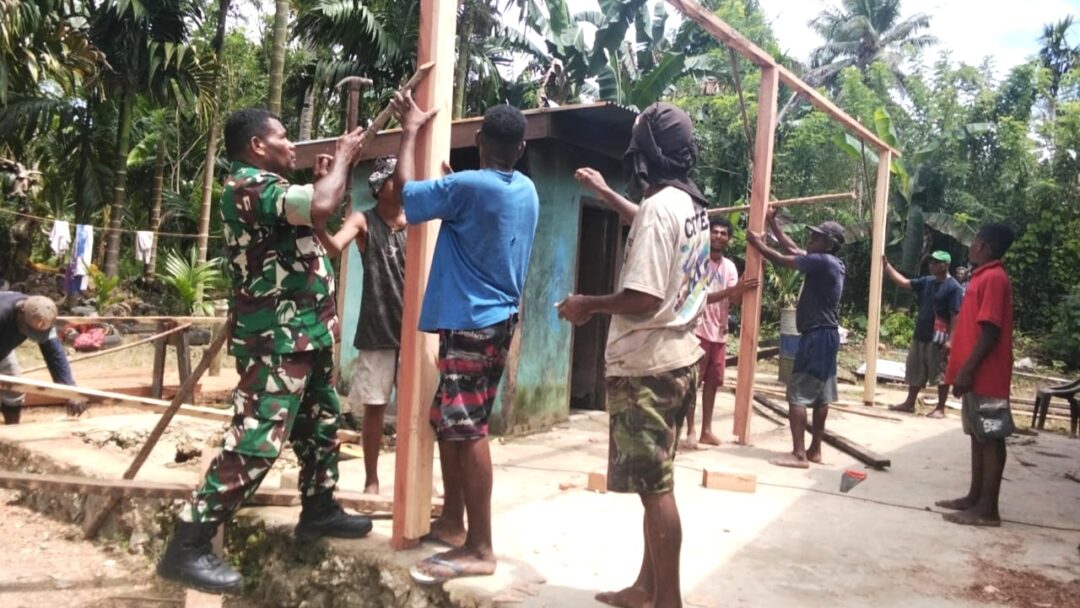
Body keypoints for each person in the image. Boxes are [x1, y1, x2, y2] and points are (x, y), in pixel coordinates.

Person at [156, 108, 372, 594]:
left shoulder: (271, 191)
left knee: (320, 427)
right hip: (277, 338)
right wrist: (342, 159)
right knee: (257, 439)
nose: (291, 144)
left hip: (306, 334)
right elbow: (320, 208)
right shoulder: (247, 185)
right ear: (257, 145)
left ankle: (319, 509)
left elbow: (316, 224)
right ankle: (187, 543)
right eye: (282, 136)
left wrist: (330, 178)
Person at [559, 102, 710, 608]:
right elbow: (652, 223)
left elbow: (643, 298)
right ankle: (648, 587)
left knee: (655, 491)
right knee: (658, 482)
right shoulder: (690, 205)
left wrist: (587, 305)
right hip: (680, 357)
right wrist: (606, 195)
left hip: (648, 366)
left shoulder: (661, 209)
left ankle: (668, 600)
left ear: (645, 153)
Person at [391, 94, 538, 584]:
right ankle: (454, 521)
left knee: (468, 427)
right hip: (496, 322)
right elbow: (480, 211)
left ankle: (480, 546)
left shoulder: (469, 186)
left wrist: (410, 129)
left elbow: (406, 195)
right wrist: (456, 185)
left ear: (479, 142)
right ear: (520, 147)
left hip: (472, 321)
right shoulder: (526, 191)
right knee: (446, 418)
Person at [318, 156, 405, 495]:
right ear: (380, 188)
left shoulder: (416, 220)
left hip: (414, 333)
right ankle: (372, 479)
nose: (402, 183)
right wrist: (318, 223)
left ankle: (416, 478)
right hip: (378, 330)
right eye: (395, 179)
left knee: (424, 412)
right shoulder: (364, 221)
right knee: (375, 408)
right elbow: (335, 246)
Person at [747, 209, 846, 469]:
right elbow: (790, 247)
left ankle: (799, 454)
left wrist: (757, 244)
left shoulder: (823, 262)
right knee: (822, 395)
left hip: (816, 335)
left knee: (797, 393)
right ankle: (814, 450)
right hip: (827, 334)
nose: (810, 241)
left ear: (830, 244)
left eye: (816, 238)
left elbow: (782, 257)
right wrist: (771, 223)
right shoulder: (830, 262)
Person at [937, 223, 1015, 527]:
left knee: (992, 437)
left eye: (974, 241)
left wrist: (967, 370)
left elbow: (990, 330)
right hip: (974, 378)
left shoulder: (994, 279)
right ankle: (975, 497)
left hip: (988, 379)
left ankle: (988, 509)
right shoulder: (981, 276)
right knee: (978, 436)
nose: (970, 246)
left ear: (984, 245)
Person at [683, 217, 757, 449]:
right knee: (693, 383)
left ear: (728, 239)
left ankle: (706, 430)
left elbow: (734, 298)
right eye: (715, 232)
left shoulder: (730, 267)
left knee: (713, 384)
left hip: (719, 333)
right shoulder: (698, 262)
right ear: (708, 235)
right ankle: (691, 431)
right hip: (698, 330)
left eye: (724, 233)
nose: (719, 236)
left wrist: (743, 283)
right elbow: (702, 298)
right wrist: (733, 290)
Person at [882, 251, 964, 418]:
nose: (931, 265)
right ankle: (909, 403)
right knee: (915, 368)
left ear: (945, 265)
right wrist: (886, 266)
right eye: (931, 262)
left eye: (935, 262)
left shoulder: (953, 287)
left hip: (939, 337)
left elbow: (956, 316)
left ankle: (940, 408)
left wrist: (951, 341)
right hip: (921, 333)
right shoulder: (927, 281)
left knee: (939, 372)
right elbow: (904, 282)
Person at [0, 292, 86, 424]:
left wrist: (70, 391)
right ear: (20, 312)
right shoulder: (3, 312)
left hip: (3, 346)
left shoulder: (42, 317)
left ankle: (11, 432)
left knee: (14, 387)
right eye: (28, 329)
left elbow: (55, 356)